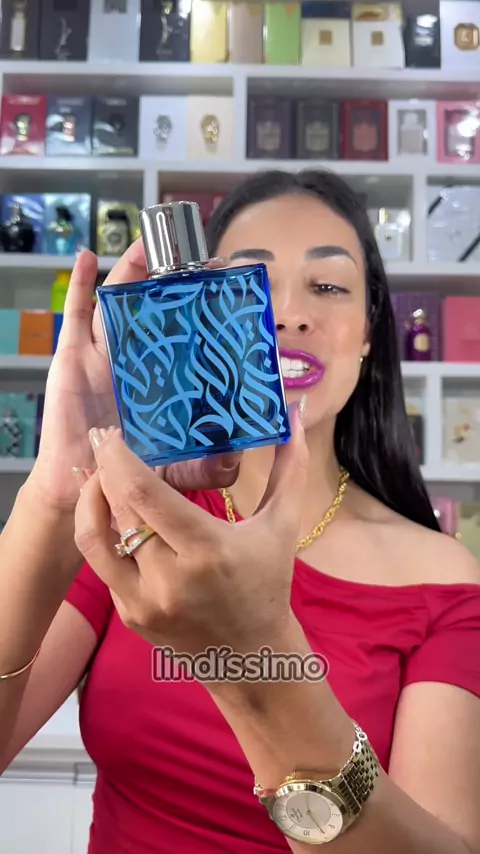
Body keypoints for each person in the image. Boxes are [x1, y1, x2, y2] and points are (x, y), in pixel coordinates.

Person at [0, 168, 480, 854]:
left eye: (328, 286)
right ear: (201, 316)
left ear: (370, 331)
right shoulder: (134, 521)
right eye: (253, 281)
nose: (289, 315)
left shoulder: (446, 581)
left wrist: (253, 657)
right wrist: (55, 496)